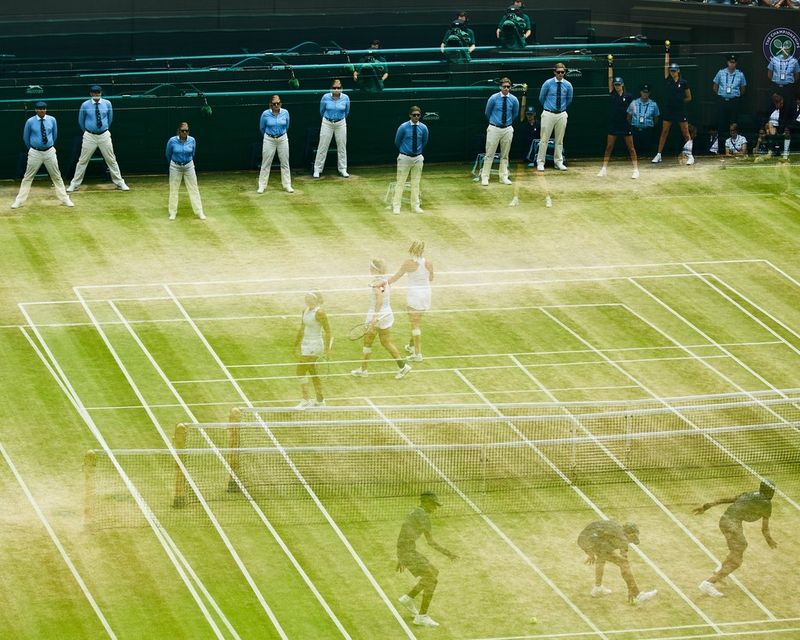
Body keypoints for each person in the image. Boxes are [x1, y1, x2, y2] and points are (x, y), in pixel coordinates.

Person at [694, 479, 778, 598]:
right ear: (770, 492)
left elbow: (724, 500)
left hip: (725, 521)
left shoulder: (749, 494)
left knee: (741, 547)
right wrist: (769, 540)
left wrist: (706, 507)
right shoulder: (766, 504)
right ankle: (708, 584)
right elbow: (764, 529)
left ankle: (719, 571)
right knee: (736, 561)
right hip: (732, 524)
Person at [396, 491, 458, 628]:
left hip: (405, 551)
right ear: (425, 502)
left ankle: (408, 598)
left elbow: (403, 533)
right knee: (432, 580)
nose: (435, 508)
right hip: (408, 553)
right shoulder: (424, 517)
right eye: (433, 505)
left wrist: (400, 556)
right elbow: (431, 542)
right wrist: (448, 553)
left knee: (434, 572)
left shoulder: (413, 513)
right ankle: (422, 616)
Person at [351, 257, 412, 379]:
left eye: (371, 267)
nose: (369, 269)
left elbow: (379, 299)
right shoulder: (384, 281)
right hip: (387, 314)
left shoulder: (377, 284)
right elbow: (384, 290)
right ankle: (403, 366)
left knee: (367, 342)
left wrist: (374, 317)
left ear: (376, 269)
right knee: (386, 342)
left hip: (376, 314)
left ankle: (363, 370)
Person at [577, 520, 658, 605]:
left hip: (588, 539)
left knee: (602, 558)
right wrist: (630, 588)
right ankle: (637, 595)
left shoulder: (618, 533)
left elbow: (588, 536)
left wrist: (590, 553)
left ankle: (598, 588)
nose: (633, 540)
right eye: (634, 536)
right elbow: (624, 563)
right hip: (589, 541)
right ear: (629, 534)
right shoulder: (622, 539)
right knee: (623, 563)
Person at [11, 101, 73, 210]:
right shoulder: (30, 121)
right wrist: (33, 148)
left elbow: (54, 135)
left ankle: (65, 199)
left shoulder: (52, 120)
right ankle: (19, 201)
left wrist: (48, 146)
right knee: (28, 177)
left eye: (44, 109)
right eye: (40, 109)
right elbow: (26, 137)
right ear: (36, 110)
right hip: (35, 152)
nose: (42, 111)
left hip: (49, 151)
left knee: (56, 176)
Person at [67, 84, 130, 192]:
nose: (96, 94)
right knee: (82, 160)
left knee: (111, 159)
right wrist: (89, 131)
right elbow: (81, 121)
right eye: (94, 93)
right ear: (91, 94)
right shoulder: (85, 105)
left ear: (101, 93)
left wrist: (103, 129)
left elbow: (110, 119)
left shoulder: (107, 103)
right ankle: (74, 184)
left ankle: (120, 182)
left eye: (98, 92)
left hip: (104, 135)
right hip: (89, 136)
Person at [387, 240, 434, 362]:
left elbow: (396, 276)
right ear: (422, 250)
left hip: (415, 295)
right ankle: (411, 346)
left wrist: (384, 284)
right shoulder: (429, 263)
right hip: (426, 294)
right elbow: (431, 278)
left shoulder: (408, 263)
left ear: (411, 249)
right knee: (417, 321)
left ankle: (417, 354)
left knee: (415, 323)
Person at [597, 58, 639, 179]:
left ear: (622, 85)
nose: (617, 86)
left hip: (626, 125)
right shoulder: (612, 94)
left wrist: (630, 119)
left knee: (631, 148)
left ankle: (636, 170)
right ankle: (604, 168)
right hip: (614, 124)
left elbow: (633, 110)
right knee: (609, 147)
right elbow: (610, 78)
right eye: (615, 85)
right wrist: (610, 65)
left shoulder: (629, 96)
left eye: (619, 85)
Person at [653, 42, 693, 165]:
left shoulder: (684, 82)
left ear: (678, 71)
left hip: (680, 110)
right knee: (664, 132)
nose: (672, 72)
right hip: (669, 109)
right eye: (671, 70)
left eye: (674, 71)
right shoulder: (668, 80)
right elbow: (666, 64)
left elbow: (689, 97)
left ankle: (690, 156)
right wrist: (667, 50)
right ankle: (658, 154)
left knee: (685, 133)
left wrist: (680, 102)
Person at [294, 291, 332, 410]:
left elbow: (328, 331)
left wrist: (327, 349)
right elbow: (302, 328)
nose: (308, 300)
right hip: (305, 344)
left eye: (310, 299)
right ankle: (320, 400)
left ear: (316, 300)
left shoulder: (320, 312)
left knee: (300, 370)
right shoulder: (304, 311)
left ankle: (306, 400)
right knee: (313, 372)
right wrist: (296, 344)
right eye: (306, 298)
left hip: (315, 345)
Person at [481, 77, 520, 185]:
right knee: (489, 154)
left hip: (507, 129)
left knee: (505, 154)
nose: (506, 88)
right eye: (504, 87)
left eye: (508, 87)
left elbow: (515, 114)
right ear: (500, 87)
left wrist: (507, 123)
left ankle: (503, 177)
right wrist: (495, 122)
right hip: (494, 128)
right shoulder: (493, 98)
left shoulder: (514, 100)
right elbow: (487, 112)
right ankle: (485, 177)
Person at [392, 105, 429, 215]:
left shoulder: (423, 128)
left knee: (416, 183)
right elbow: (397, 141)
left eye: (418, 115)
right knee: (400, 182)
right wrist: (405, 151)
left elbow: (424, 141)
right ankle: (396, 206)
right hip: (404, 158)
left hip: (418, 158)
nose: (416, 117)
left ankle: (415, 206)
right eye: (414, 115)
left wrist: (417, 153)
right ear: (410, 115)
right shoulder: (403, 127)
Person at [165, 122, 206, 220]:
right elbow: (168, 154)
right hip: (175, 166)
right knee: (174, 189)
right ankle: (172, 212)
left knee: (194, 188)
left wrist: (187, 162)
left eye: (186, 131)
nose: (184, 132)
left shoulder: (192, 140)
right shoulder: (172, 141)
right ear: (179, 131)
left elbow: (193, 153)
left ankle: (199, 211)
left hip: (189, 166)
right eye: (183, 131)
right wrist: (175, 163)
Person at [537, 63, 573, 171]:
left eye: (562, 72)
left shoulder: (568, 85)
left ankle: (558, 162)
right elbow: (541, 98)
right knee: (544, 139)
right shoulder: (548, 83)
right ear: (554, 72)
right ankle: (540, 162)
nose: (560, 74)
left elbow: (569, 100)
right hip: (548, 113)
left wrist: (561, 109)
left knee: (559, 140)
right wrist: (549, 107)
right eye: (558, 72)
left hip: (561, 113)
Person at [313, 79, 350, 179]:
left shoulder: (346, 97)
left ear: (341, 88)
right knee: (322, 146)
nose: (336, 89)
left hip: (341, 123)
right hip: (327, 123)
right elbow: (322, 111)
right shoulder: (325, 97)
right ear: (331, 88)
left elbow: (347, 112)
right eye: (334, 88)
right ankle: (317, 169)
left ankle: (343, 169)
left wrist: (339, 119)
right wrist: (329, 119)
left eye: (338, 88)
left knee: (342, 146)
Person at [257, 94, 293, 193]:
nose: (276, 105)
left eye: (278, 103)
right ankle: (262, 186)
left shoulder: (285, 112)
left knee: (285, 162)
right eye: (274, 104)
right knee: (266, 163)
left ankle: (287, 185)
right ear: (270, 104)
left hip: (282, 138)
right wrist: (270, 136)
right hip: (269, 139)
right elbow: (262, 128)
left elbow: (287, 126)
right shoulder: (265, 114)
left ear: (280, 103)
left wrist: (280, 135)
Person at [712, 54, 747, 147]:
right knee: (721, 123)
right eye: (730, 62)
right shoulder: (721, 72)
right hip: (722, 101)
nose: (732, 64)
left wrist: (734, 96)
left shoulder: (740, 74)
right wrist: (722, 94)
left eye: (734, 62)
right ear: (727, 62)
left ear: (736, 63)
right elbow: (715, 87)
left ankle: (733, 146)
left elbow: (743, 89)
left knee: (733, 123)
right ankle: (721, 147)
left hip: (734, 102)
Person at [628, 84, 660, 159]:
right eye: (643, 92)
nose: (645, 94)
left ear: (649, 93)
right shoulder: (634, 103)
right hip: (635, 130)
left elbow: (656, 118)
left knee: (647, 151)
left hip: (648, 131)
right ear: (640, 92)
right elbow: (629, 117)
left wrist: (649, 125)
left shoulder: (653, 104)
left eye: (647, 92)